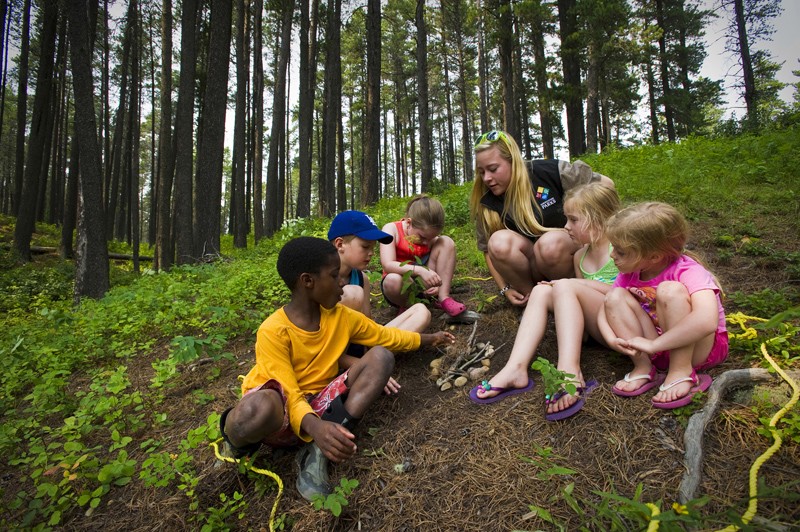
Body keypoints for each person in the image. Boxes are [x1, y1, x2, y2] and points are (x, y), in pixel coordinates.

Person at [218, 237, 455, 501]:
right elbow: (289, 392)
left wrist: (428, 339)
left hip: (322, 407)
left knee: (382, 357)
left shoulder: (342, 317)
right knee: (255, 408)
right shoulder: (273, 331)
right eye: (334, 275)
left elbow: (386, 337)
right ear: (308, 281)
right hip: (281, 410)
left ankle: (317, 451)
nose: (342, 282)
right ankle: (238, 446)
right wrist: (314, 427)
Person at [470, 183, 621, 422]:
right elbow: (582, 301)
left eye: (573, 220)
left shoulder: (620, 250)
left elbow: (630, 295)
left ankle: (569, 372)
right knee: (542, 292)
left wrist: (568, 286)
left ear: (597, 219)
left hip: (623, 325)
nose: (565, 227)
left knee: (562, 284)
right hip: (599, 328)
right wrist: (564, 289)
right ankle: (515, 369)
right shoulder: (581, 255)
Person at [598, 202, 728, 409]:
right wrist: (612, 339)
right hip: (660, 347)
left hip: (701, 349)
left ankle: (681, 370)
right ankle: (643, 367)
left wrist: (654, 345)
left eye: (621, 252)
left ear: (654, 257)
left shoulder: (688, 271)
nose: (612, 255)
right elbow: (604, 309)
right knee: (614, 296)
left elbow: (706, 322)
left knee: (670, 291)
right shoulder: (630, 274)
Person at [470, 130, 615, 307]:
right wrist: (504, 288)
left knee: (549, 244)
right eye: (481, 172)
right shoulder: (487, 202)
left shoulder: (549, 172)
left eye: (493, 169)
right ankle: (534, 299)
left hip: (566, 256)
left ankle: (573, 297)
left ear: (513, 161)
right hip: (531, 266)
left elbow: (606, 185)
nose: (487, 178)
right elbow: (488, 250)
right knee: (499, 242)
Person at [328, 210, 432, 394]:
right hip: (330, 357)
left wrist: (371, 358)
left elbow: (368, 327)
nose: (370, 254)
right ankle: (350, 373)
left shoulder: (361, 278)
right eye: (365, 247)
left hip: (358, 347)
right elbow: (322, 347)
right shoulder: (322, 281)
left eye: (373, 248)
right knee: (353, 294)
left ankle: (371, 362)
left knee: (421, 311)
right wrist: (366, 366)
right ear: (340, 244)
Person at [380, 195, 467, 317]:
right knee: (392, 280)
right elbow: (387, 264)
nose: (426, 242)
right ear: (409, 222)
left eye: (431, 238)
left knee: (446, 242)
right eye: (422, 237)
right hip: (400, 288)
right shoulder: (391, 229)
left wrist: (436, 284)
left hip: (424, 284)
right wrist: (419, 270)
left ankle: (443, 297)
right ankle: (407, 307)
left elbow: (440, 256)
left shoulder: (428, 237)